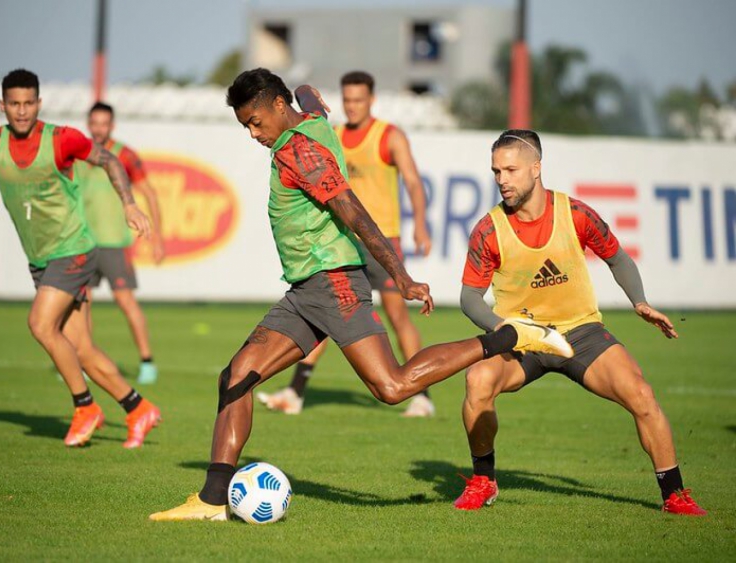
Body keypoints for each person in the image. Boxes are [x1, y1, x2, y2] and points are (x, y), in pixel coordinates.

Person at [149, 69, 572, 521]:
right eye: (245, 126)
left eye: (255, 121)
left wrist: (400, 275)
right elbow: (309, 96)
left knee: (392, 386)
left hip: (333, 284)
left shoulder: (302, 151)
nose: (253, 134)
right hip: (305, 291)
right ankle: (214, 500)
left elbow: (354, 213)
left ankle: (508, 338)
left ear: (277, 105)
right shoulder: (309, 118)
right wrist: (310, 94)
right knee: (235, 378)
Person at [453, 129, 706, 516]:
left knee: (640, 394)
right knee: (477, 380)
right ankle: (483, 481)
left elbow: (618, 258)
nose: (502, 180)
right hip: (523, 337)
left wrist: (639, 302)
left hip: (581, 331)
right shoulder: (488, 229)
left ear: (536, 168)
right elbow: (469, 297)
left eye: (511, 170)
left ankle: (674, 495)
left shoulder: (575, 213)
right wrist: (506, 329)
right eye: (496, 172)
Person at [0, 69, 161, 448]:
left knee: (39, 323)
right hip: (41, 257)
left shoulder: (62, 138)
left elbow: (111, 161)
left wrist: (130, 204)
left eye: (28, 103)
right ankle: (138, 408)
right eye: (14, 104)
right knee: (80, 349)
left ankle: (85, 407)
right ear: (2, 105)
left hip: (74, 250)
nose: (22, 111)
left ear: (39, 103)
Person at [257, 70, 436, 417]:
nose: (352, 107)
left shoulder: (389, 136)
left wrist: (421, 225)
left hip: (380, 238)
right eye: (348, 100)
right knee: (323, 317)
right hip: (340, 240)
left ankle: (423, 396)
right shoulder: (328, 134)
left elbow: (413, 182)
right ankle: (295, 392)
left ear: (371, 100)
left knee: (398, 317)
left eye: (359, 100)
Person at [75, 102, 165, 385]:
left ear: (111, 126)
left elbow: (149, 194)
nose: (99, 128)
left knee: (126, 302)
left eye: (104, 123)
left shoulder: (123, 155)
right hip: (82, 242)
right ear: (88, 123)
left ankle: (147, 361)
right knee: (81, 303)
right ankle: (83, 360)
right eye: (95, 123)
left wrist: (158, 237)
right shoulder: (77, 153)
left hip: (115, 243)